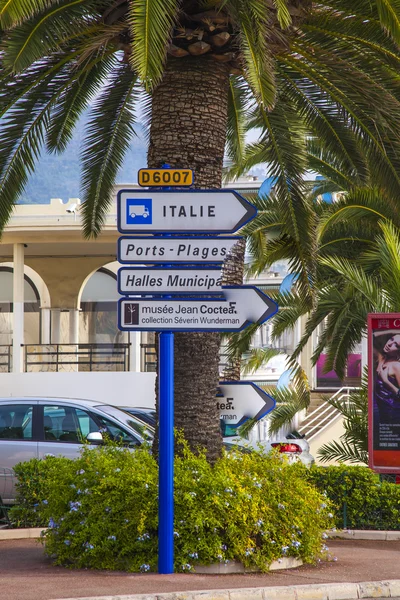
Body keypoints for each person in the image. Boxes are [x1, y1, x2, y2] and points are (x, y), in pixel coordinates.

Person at [374, 334, 400, 424]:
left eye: (396, 345)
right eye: (391, 339)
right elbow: (374, 335)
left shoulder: (397, 366)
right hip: (379, 413)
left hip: (392, 415)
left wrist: (386, 381)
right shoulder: (381, 358)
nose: (389, 344)